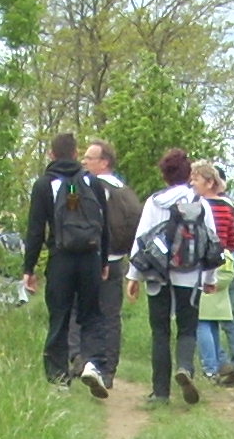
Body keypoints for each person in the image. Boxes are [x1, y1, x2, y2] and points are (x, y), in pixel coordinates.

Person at [130, 149, 221, 404]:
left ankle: (160, 393)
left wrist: (133, 276)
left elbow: (141, 240)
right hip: (190, 278)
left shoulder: (154, 201)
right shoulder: (200, 204)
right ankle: (185, 368)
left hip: (156, 275)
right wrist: (210, 279)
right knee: (187, 328)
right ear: (188, 173)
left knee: (159, 331)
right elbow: (212, 244)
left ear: (164, 174)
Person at [21, 132, 109, 395]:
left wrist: (29, 268)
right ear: (75, 154)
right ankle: (92, 364)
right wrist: (103, 260)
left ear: (51, 154)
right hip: (90, 259)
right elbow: (103, 227)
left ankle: (59, 380)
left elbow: (36, 230)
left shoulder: (43, 185)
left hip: (61, 259)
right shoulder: (93, 183)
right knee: (92, 315)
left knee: (59, 316)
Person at [78, 138, 138, 392]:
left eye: (89, 158)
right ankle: (108, 370)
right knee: (111, 316)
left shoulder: (83, 186)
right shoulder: (124, 191)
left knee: (86, 313)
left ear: (103, 162)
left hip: (90, 258)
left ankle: (86, 362)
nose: (84, 161)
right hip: (117, 261)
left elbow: (73, 211)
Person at [191, 162, 234, 385]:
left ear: (208, 182)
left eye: (195, 179)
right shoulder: (229, 206)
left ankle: (211, 367)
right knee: (228, 315)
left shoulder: (198, 207)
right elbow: (233, 240)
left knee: (203, 319)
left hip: (204, 265)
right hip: (226, 265)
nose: (192, 184)